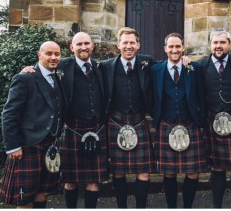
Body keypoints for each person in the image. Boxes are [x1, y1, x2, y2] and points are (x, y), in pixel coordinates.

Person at [0, 41, 65, 208]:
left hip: (50, 146)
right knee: (25, 200)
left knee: (42, 194)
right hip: (28, 147)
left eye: (57, 54)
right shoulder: (25, 78)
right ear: (39, 55)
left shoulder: (59, 77)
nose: (53, 57)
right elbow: (9, 114)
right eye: (49, 53)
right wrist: (12, 146)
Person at [100, 27, 155, 208]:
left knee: (144, 171)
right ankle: (121, 206)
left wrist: (186, 60)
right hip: (116, 120)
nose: (128, 46)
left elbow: (168, 69)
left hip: (139, 120)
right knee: (118, 171)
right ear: (118, 44)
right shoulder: (106, 66)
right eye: (125, 42)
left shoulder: (147, 63)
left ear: (138, 45)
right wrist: (34, 68)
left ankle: (140, 207)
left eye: (132, 42)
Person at [151, 33, 207, 208]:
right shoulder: (155, 70)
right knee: (169, 173)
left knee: (193, 172)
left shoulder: (195, 68)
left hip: (190, 123)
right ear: (165, 49)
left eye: (178, 47)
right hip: (166, 123)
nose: (174, 50)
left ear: (183, 48)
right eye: (171, 47)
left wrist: (201, 119)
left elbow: (202, 95)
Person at [196, 29, 231, 208]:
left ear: (229, 44)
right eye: (215, 43)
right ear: (210, 45)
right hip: (212, 121)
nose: (218, 46)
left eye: (222, 42)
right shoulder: (200, 66)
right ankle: (217, 206)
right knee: (216, 166)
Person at [58, 32, 109, 208]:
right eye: (79, 44)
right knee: (70, 180)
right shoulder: (62, 65)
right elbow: (43, 68)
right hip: (73, 127)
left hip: (96, 127)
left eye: (87, 43)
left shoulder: (100, 67)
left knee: (94, 180)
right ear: (72, 47)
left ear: (92, 46)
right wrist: (29, 69)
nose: (83, 47)